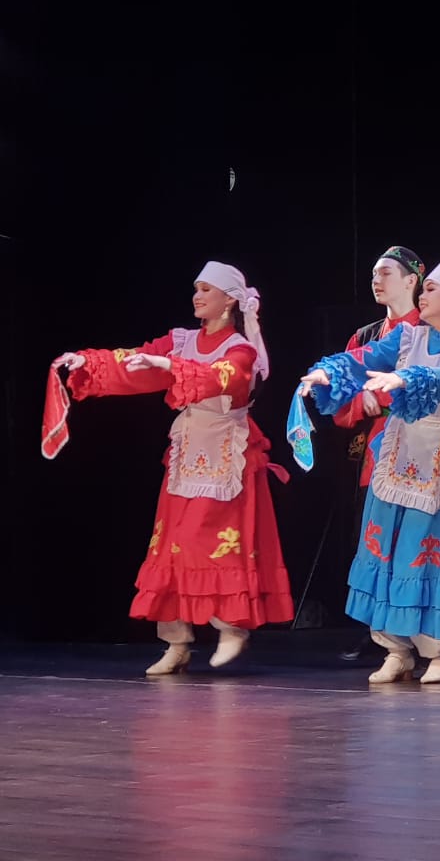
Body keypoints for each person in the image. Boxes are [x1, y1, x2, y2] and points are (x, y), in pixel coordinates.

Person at [51, 262, 294, 674]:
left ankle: (231, 626)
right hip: (187, 452)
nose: (197, 296)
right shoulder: (181, 340)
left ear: (229, 300)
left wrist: (172, 368)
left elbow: (225, 378)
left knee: (211, 540)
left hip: (226, 455)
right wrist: (89, 361)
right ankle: (176, 641)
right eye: (196, 289)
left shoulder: (241, 347)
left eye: (206, 289)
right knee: (173, 541)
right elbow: (135, 360)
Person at [299, 261, 440, 685]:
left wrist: (403, 380)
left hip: (438, 464)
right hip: (396, 456)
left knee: (423, 551)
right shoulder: (407, 337)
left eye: (432, 289)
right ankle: (395, 649)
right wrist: (327, 373)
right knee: (383, 546)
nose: (422, 295)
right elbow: (364, 358)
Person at [328, 246, 425, 661]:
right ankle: (376, 632)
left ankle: (417, 631)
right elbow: (339, 394)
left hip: (420, 450)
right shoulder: (365, 336)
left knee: (413, 541)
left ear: (411, 280)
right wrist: (357, 400)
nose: (376, 280)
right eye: (373, 274)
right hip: (377, 450)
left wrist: (382, 395)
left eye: (386, 273)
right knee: (373, 539)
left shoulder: (429, 330)